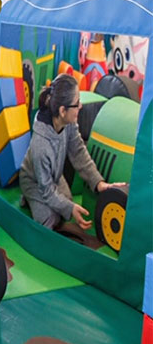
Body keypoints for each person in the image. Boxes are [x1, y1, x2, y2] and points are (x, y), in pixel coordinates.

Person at [19, 73, 125, 230]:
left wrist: (98, 182)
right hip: (34, 181)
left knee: (66, 204)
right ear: (63, 111)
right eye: (77, 103)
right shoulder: (41, 146)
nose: (81, 106)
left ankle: (49, 204)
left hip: (53, 177)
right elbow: (47, 190)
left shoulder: (68, 123)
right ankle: (28, 197)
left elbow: (79, 152)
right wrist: (69, 208)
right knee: (49, 219)